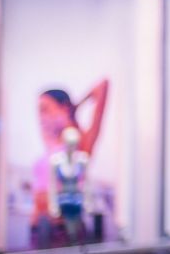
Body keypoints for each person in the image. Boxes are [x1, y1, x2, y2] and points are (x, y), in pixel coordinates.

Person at [32, 79, 109, 247]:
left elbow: (103, 85)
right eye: (39, 112)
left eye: (45, 110)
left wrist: (76, 107)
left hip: (63, 230)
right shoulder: (50, 139)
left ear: (64, 107)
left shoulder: (82, 143)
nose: (41, 118)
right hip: (39, 227)